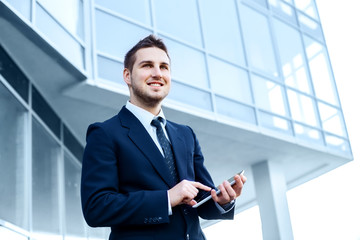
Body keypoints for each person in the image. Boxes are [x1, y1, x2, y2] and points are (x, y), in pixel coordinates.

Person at [81, 35, 247, 240]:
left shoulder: (186, 134)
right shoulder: (105, 133)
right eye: (147, 66)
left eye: (164, 67)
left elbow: (201, 197)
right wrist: (167, 198)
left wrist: (222, 200)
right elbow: (96, 207)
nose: (157, 73)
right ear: (127, 75)